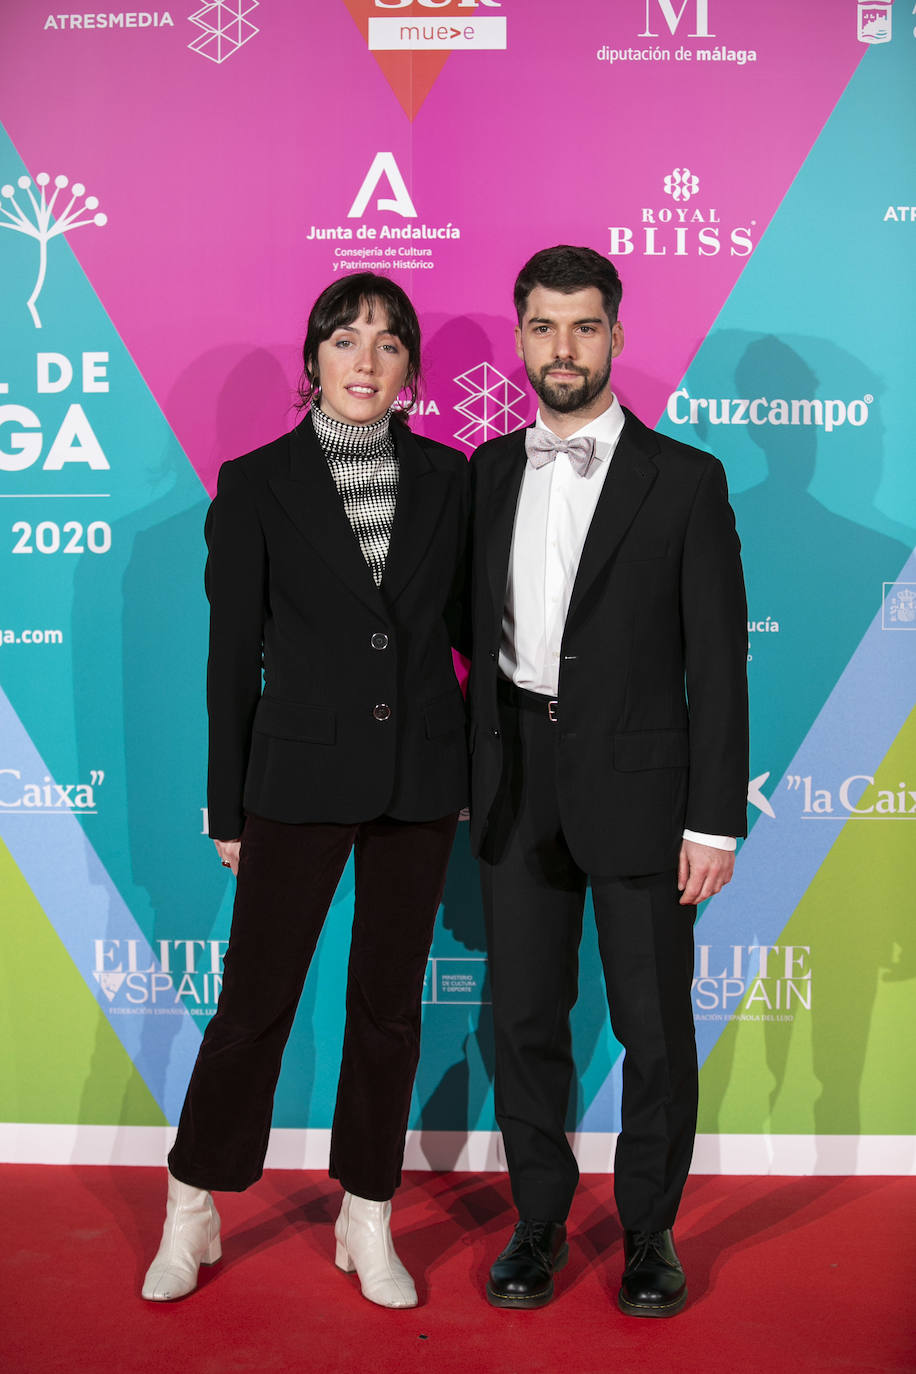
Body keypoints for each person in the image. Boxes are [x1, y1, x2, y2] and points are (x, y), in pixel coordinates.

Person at [142, 272, 469, 1309]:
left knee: (386, 1011)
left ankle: (365, 1217)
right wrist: (226, 806)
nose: (363, 360)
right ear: (313, 361)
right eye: (343, 340)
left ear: (411, 372)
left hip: (418, 780)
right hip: (293, 776)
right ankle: (190, 1206)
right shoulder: (255, 483)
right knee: (255, 1004)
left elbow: (472, 636)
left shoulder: (453, 481)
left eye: (385, 343)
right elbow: (230, 658)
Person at [467, 245, 748, 1317]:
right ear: (521, 336)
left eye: (584, 326)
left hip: (641, 787)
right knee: (525, 1017)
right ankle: (536, 1221)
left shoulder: (685, 480)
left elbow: (716, 664)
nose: (563, 348)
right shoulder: (486, 471)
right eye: (543, 326)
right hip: (512, 779)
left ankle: (647, 1233)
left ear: (617, 336)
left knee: (651, 1025)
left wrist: (713, 821)